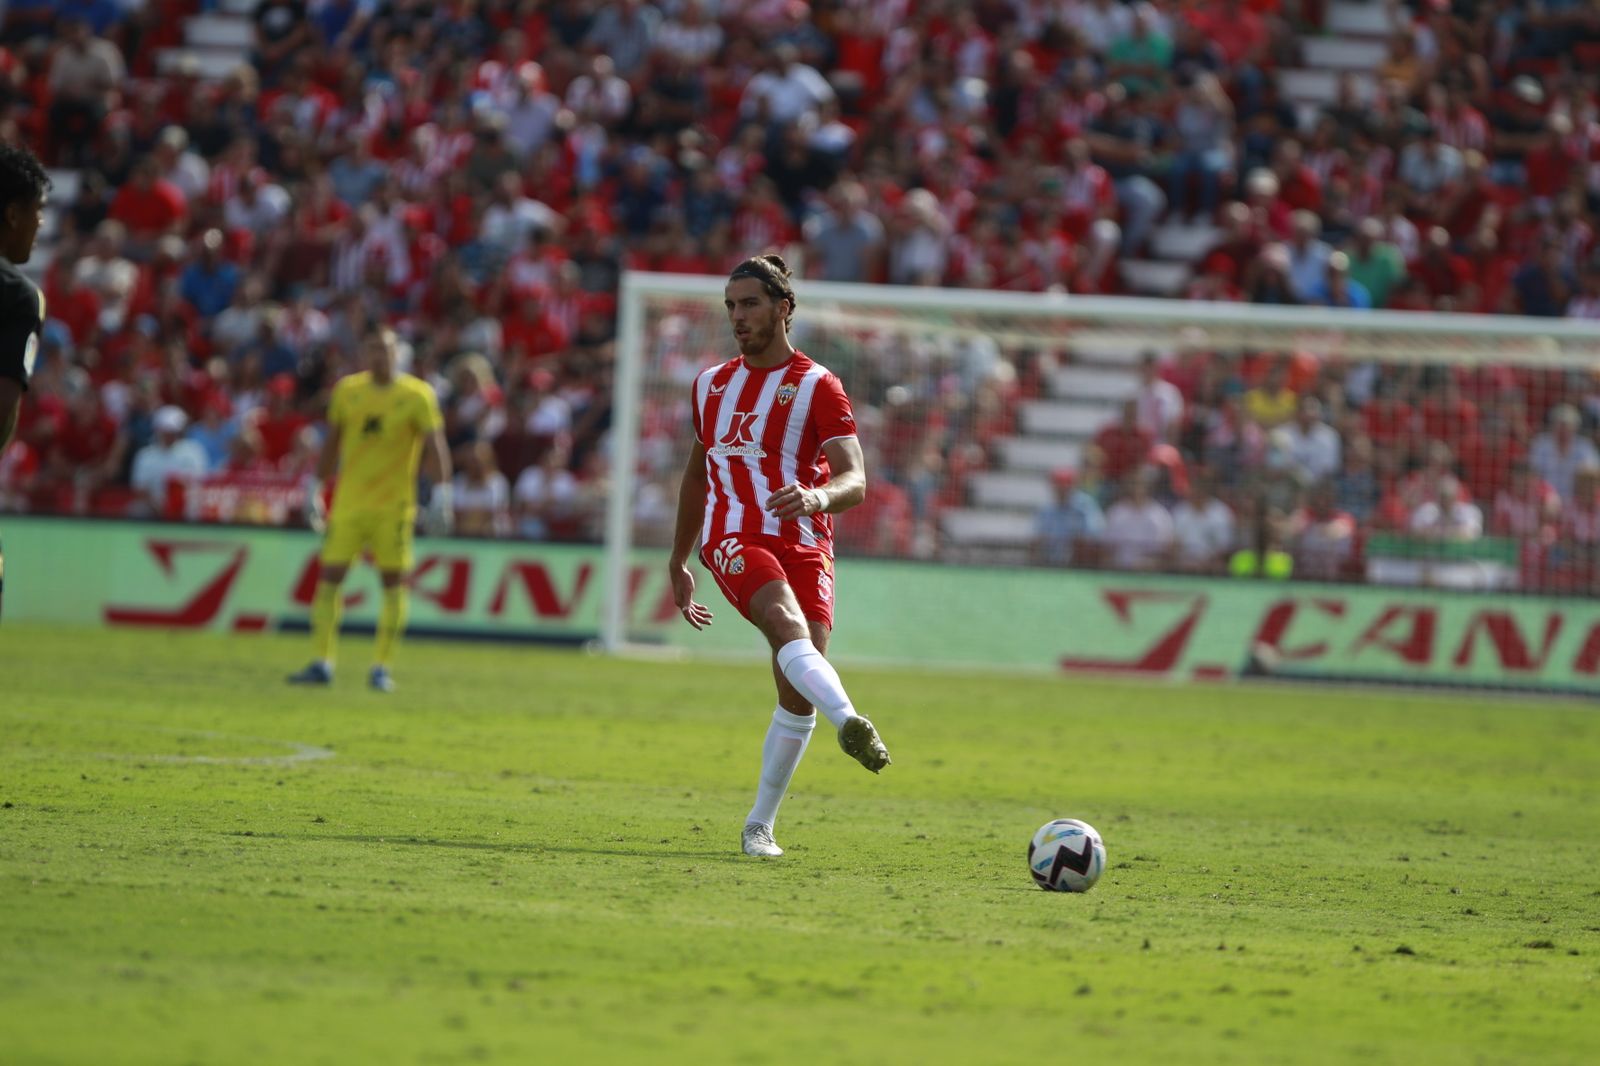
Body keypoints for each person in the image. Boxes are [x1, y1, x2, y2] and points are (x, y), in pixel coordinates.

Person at [667, 254, 890, 860]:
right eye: (731, 306)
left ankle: (758, 826)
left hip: (805, 540)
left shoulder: (820, 385)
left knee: (797, 686)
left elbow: (856, 481)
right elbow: (695, 479)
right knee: (787, 627)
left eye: (750, 304)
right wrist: (679, 559)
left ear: (783, 307)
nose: (738, 317)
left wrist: (817, 495)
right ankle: (850, 720)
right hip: (733, 536)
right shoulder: (711, 385)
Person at [288, 328, 454, 693]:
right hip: (349, 502)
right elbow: (332, 443)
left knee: (392, 582)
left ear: (399, 353)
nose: (380, 356)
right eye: (373, 349)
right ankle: (322, 662)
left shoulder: (417, 395)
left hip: (394, 506)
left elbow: (434, 445)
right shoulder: (348, 391)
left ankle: (381, 667)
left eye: (386, 349)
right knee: (330, 576)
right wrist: (315, 488)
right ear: (364, 353)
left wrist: (442, 493)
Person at [0, 142, 50, 619]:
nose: (41, 224)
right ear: (13, 214)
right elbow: (2, 407)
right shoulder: (17, 296)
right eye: (37, 212)